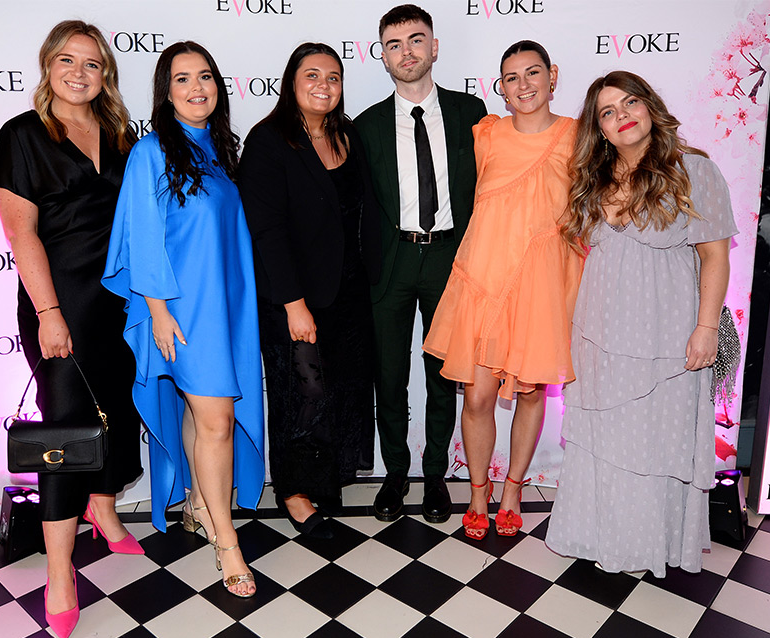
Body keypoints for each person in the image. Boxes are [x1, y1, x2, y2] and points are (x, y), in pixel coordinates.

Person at [0, 20, 142, 638]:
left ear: (106, 76)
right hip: (61, 301)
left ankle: (104, 511)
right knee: (66, 434)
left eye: (92, 63)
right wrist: (48, 313)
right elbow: (20, 233)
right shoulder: (22, 135)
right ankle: (59, 574)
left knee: (115, 410)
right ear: (48, 66)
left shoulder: (121, 135)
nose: (79, 72)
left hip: (119, 300)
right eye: (67, 60)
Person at [545, 71, 737, 577]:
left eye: (630, 103)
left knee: (656, 440)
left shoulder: (693, 169)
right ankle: (604, 537)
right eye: (608, 112)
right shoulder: (593, 177)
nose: (622, 116)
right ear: (600, 129)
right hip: (599, 332)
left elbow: (716, 257)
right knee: (605, 438)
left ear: (650, 106)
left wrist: (706, 328)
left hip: (666, 334)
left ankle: (650, 545)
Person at [102, 41, 264, 597]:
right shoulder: (151, 151)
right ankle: (227, 543)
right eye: (183, 78)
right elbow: (142, 237)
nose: (197, 88)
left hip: (224, 306)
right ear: (165, 91)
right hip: (180, 312)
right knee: (217, 421)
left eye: (205, 77)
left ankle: (198, 504)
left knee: (203, 414)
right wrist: (158, 312)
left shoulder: (219, 148)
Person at [423, 41, 584, 539]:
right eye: (512, 77)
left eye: (533, 73)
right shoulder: (487, 134)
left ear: (552, 76)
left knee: (531, 393)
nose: (524, 85)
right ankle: (478, 491)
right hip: (484, 281)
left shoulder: (577, 136)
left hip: (540, 286)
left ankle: (512, 488)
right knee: (477, 398)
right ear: (501, 88)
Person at [238, 43, 381, 539]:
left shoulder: (347, 134)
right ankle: (295, 493)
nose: (324, 85)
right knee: (301, 393)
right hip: (293, 297)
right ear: (291, 82)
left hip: (347, 293)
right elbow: (267, 231)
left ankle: (326, 481)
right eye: (312, 75)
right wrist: (294, 305)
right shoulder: (268, 140)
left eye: (333, 76)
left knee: (339, 389)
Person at [355, 4, 487, 524]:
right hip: (390, 260)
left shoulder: (471, 112)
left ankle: (435, 476)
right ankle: (394, 474)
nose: (406, 52)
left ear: (434, 47)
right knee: (388, 376)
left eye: (415, 40)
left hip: (451, 258)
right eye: (394, 44)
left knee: (442, 375)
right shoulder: (365, 125)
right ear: (382, 56)